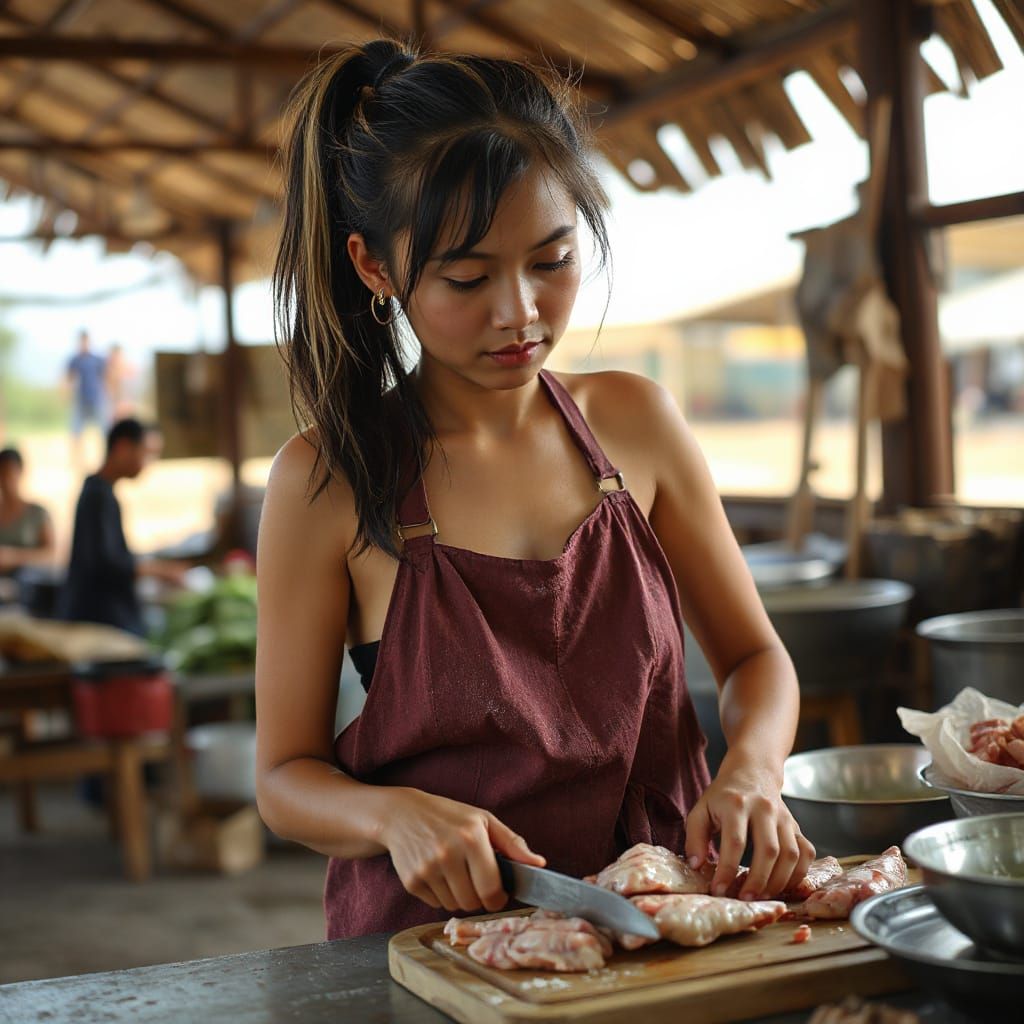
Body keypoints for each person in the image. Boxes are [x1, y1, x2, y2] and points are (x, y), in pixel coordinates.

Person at [255, 40, 813, 942]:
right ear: (374, 268)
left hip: (663, 921)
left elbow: (756, 660)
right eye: (468, 278)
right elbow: (284, 776)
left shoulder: (636, 425)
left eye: (552, 261)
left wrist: (751, 769)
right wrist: (394, 816)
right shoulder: (325, 482)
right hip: (440, 947)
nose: (519, 313)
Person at [59, 418, 186, 636]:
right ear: (123, 447)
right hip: (98, 620)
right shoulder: (97, 496)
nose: (148, 462)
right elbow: (106, 563)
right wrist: (156, 570)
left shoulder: (102, 493)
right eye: (146, 452)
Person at [0, 447, 55, 574]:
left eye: (8, 473)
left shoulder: (37, 513)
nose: (5, 480)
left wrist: (14, 557)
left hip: (27, 586)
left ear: (20, 472)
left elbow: (50, 554)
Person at [65, 329, 109, 471]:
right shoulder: (75, 360)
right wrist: (67, 393)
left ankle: (105, 457)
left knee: (103, 430)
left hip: (96, 400)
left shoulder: (97, 359)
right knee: (76, 431)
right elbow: (69, 378)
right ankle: (77, 460)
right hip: (80, 401)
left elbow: (106, 377)